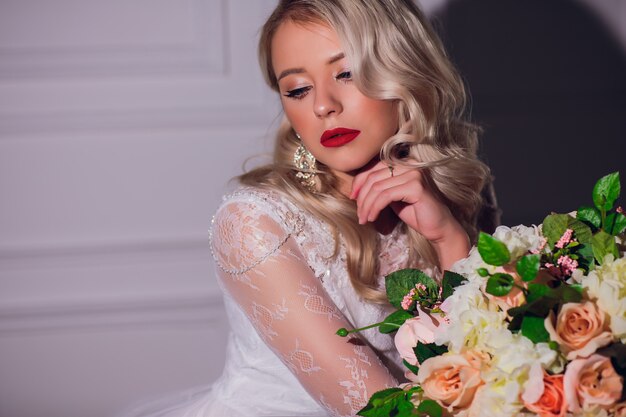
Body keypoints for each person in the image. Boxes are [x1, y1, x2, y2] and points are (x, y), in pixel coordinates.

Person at [119, 0, 497, 416]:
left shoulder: (459, 192)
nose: (322, 106)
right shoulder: (256, 224)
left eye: (346, 73)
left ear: (402, 70)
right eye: (298, 89)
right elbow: (385, 411)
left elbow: (491, 364)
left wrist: (449, 238)